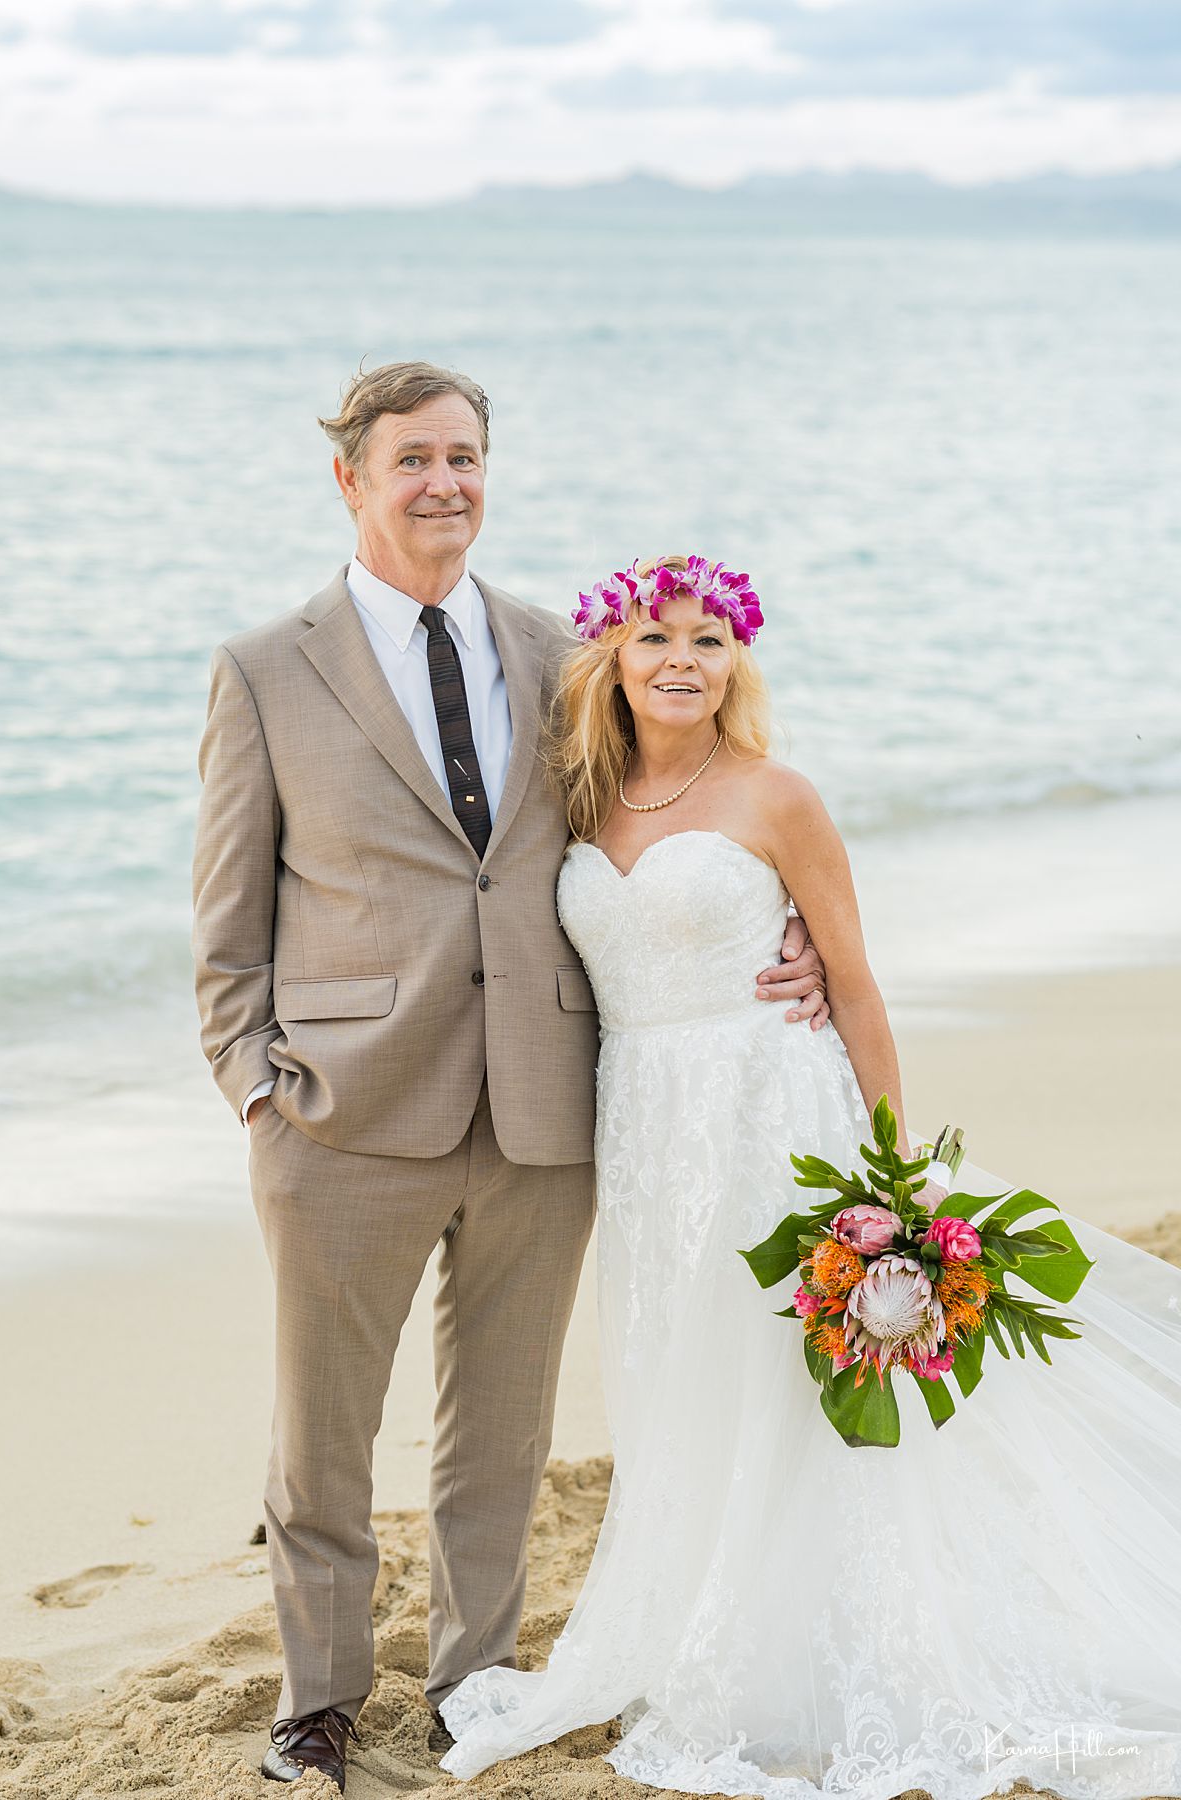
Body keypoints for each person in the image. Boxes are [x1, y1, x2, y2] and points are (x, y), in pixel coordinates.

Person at [439, 554, 1181, 1799]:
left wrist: (894, 1178)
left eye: (710, 641)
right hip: (646, 1128)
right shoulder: (580, 802)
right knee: (688, 1371)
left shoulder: (776, 797)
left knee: (793, 1375)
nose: (683, 660)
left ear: (738, 664)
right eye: (658, 637)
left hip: (773, 1110)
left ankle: (828, 1648)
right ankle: (714, 1619)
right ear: (613, 660)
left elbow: (853, 980)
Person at [190, 367, 828, 1792]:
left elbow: (667, 804)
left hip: (548, 1098)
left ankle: (474, 1677)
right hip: (341, 1111)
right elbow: (226, 920)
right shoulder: (266, 668)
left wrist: (773, 926)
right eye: (413, 459)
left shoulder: (559, 649)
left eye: (466, 457)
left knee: (506, 1424)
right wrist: (254, 1084)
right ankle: (323, 1698)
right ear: (349, 480)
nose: (445, 483)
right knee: (325, 1430)